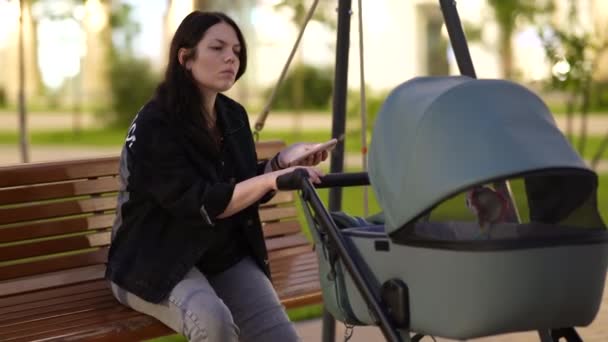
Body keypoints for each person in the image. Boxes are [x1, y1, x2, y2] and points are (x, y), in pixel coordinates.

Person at [105, 11, 327, 342]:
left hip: (219, 255)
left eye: (237, 51)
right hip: (153, 262)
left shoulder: (232, 115)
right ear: (185, 58)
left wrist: (279, 164)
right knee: (213, 322)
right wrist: (269, 180)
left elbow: (237, 184)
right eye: (217, 48)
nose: (230, 58)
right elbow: (202, 201)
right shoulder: (156, 124)